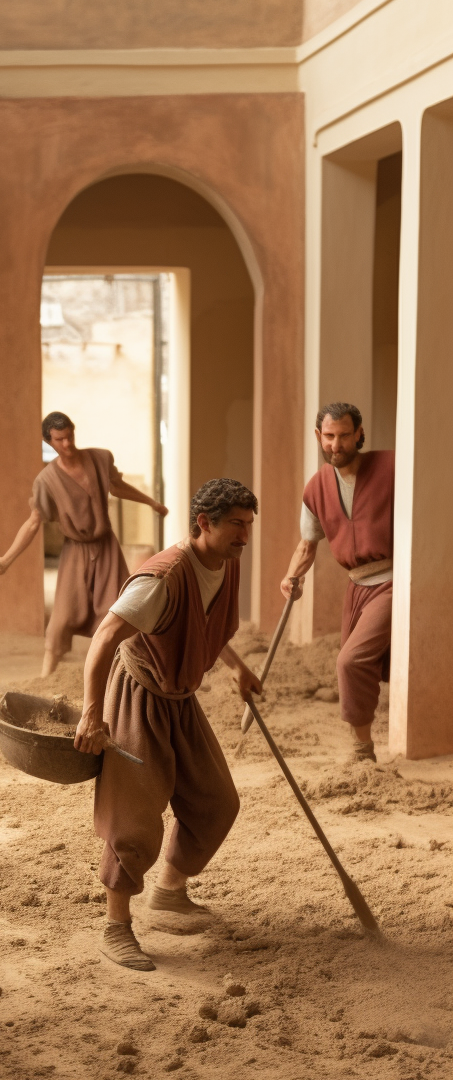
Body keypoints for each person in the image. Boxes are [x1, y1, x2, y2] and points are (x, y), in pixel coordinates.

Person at [74, 478, 262, 972]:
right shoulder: (161, 578)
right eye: (236, 525)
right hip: (138, 696)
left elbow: (202, 626)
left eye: (249, 525)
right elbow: (104, 639)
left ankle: (170, 892)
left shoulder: (225, 565)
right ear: (204, 523)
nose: (245, 535)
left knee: (217, 802)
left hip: (181, 700)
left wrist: (237, 667)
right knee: (133, 822)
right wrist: (92, 711)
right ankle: (116, 926)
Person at [0, 412, 168, 676]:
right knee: (61, 620)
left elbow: (117, 487)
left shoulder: (100, 459)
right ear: (50, 442)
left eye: (70, 436)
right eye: (60, 440)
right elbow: (33, 522)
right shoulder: (46, 481)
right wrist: (6, 559)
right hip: (75, 552)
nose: (68, 444)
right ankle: (45, 679)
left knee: (123, 611)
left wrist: (151, 502)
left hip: (107, 549)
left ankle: (138, 675)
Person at [281, 402, 394, 762]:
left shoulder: (393, 467)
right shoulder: (316, 488)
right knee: (359, 666)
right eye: (329, 436)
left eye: (345, 435)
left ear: (359, 434)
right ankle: (362, 744)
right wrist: (291, 577)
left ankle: (362, 751)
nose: (336, 444)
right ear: (319, 437)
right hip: (356, 587)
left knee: (351, 661)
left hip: (396, 581)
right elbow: (307, 544)